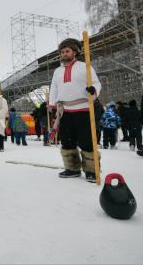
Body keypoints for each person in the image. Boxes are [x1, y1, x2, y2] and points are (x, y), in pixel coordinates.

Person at [49, 38, 102, 183]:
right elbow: (53, 88)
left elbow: (96, 83)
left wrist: (94, 90)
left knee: (86, 141)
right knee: (67, 141)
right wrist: (52, 106)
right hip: (64, 110)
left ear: (75, 52)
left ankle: (91, 170)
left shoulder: (85, 67)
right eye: (62, 52)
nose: (64, 54)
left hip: (83, 109)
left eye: (67, 51)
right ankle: (72, 168)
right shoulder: (57, 71)